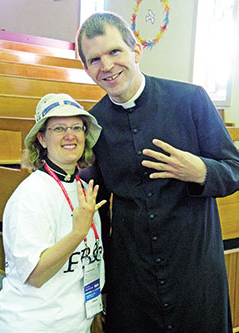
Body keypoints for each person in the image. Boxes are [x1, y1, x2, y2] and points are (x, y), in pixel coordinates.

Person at [76, 12, 239, 333]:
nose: (106, 66)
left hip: (194, 269)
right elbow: (97, 203)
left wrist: (201, 170)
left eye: (114, 52)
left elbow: (234, 169)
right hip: (132, 279)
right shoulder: (93, 124)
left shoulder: (191, 100)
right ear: (85, 68)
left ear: (135, 50)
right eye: (94, 59)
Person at [0, 93, 106, 333]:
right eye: (59, 128)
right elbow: (35, 275)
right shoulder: (30, 195)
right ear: (42, 139)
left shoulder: (84, 189)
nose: (70, 135)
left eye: (77, 127)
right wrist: (78, 233)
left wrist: (92, 310)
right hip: (33, 325)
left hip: (75, 323)